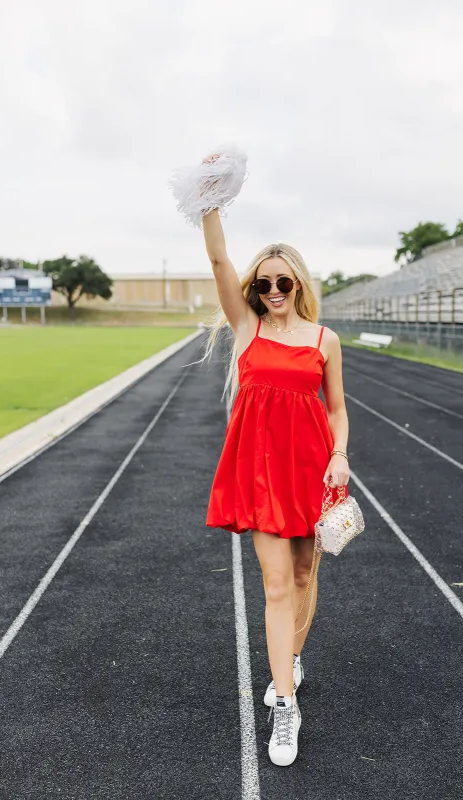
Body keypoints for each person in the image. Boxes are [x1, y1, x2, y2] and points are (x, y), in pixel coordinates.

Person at [200, 200, 350, 767]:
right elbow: (218, 261)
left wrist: (340, 455)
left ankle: (289, 660)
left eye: (284, 281)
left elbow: (337, 410)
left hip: (312, 469)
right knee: (277, 583)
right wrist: (209, 202)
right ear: (256, 290)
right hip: (261, 476)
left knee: (308, 572)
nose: (274, 289)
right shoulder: (247, 329)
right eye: (264, 283)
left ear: (298, 283)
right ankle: (283, 704)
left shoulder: (323, 340)